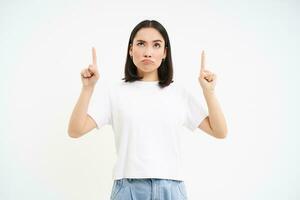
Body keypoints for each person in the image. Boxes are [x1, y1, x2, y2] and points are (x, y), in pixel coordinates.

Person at [68, 19, 227, 200]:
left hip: (171, 189)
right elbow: (75, 130)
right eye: (141, 44)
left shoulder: (178, 93)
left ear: (165, 52)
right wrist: (88, 88)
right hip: (128, 189)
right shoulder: (115, 92)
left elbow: (220, 131)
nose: (148, 52)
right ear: (130, 50)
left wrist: (209, 92)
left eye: (156, 45)